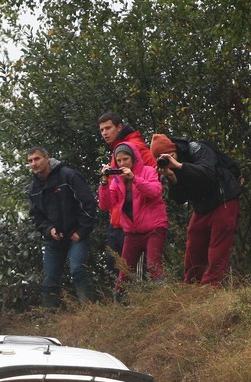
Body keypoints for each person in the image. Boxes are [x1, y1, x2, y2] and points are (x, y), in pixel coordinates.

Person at [150, 134, 242, 286]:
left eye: (169, 155)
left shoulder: (197, 149)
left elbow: (207, 173)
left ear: (174, 150)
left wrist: (180, 166)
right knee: (194, 243)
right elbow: (180, 199)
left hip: (224, 198)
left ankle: (211, 286)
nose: (168, 160)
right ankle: (191, 286)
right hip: (202, 206)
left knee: (218, 248)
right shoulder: (170, 168)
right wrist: (173, 178)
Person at [27, 146, 97, 308]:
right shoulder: (34, 188)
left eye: (37, 159)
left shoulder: (68, 176)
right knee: (49, 279)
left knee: (77, 270)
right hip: (54, 238)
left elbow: (88, 203)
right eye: (30, 161)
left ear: (47, 158)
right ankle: (50, 318)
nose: (34, 163)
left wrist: (81, 231)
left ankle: (91, 312)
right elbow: (36, 217)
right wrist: (49, 229)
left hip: (77, 235)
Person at [97, 143, 167, 293]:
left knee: (153, 265)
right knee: (124, 272)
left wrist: (134, 178)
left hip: (154, 228)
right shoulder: (117, 180)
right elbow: (105, 204)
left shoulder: (148, 171)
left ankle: (165, 297)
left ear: (134, 158)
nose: (122, 163)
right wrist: (104, 182)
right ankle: (120, 303)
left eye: (126, 159)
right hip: (132, 231)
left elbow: (155, 191)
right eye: (119, 160)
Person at [97, 112, 154, 259]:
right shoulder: (119, 148)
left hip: (133, 221)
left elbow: (154, 176)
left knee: (132, 269)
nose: (104, 133)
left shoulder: (135, 146)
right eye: (102, 130)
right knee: (116, 266)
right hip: (118, 220)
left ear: (119, 127)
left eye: (108, 128)